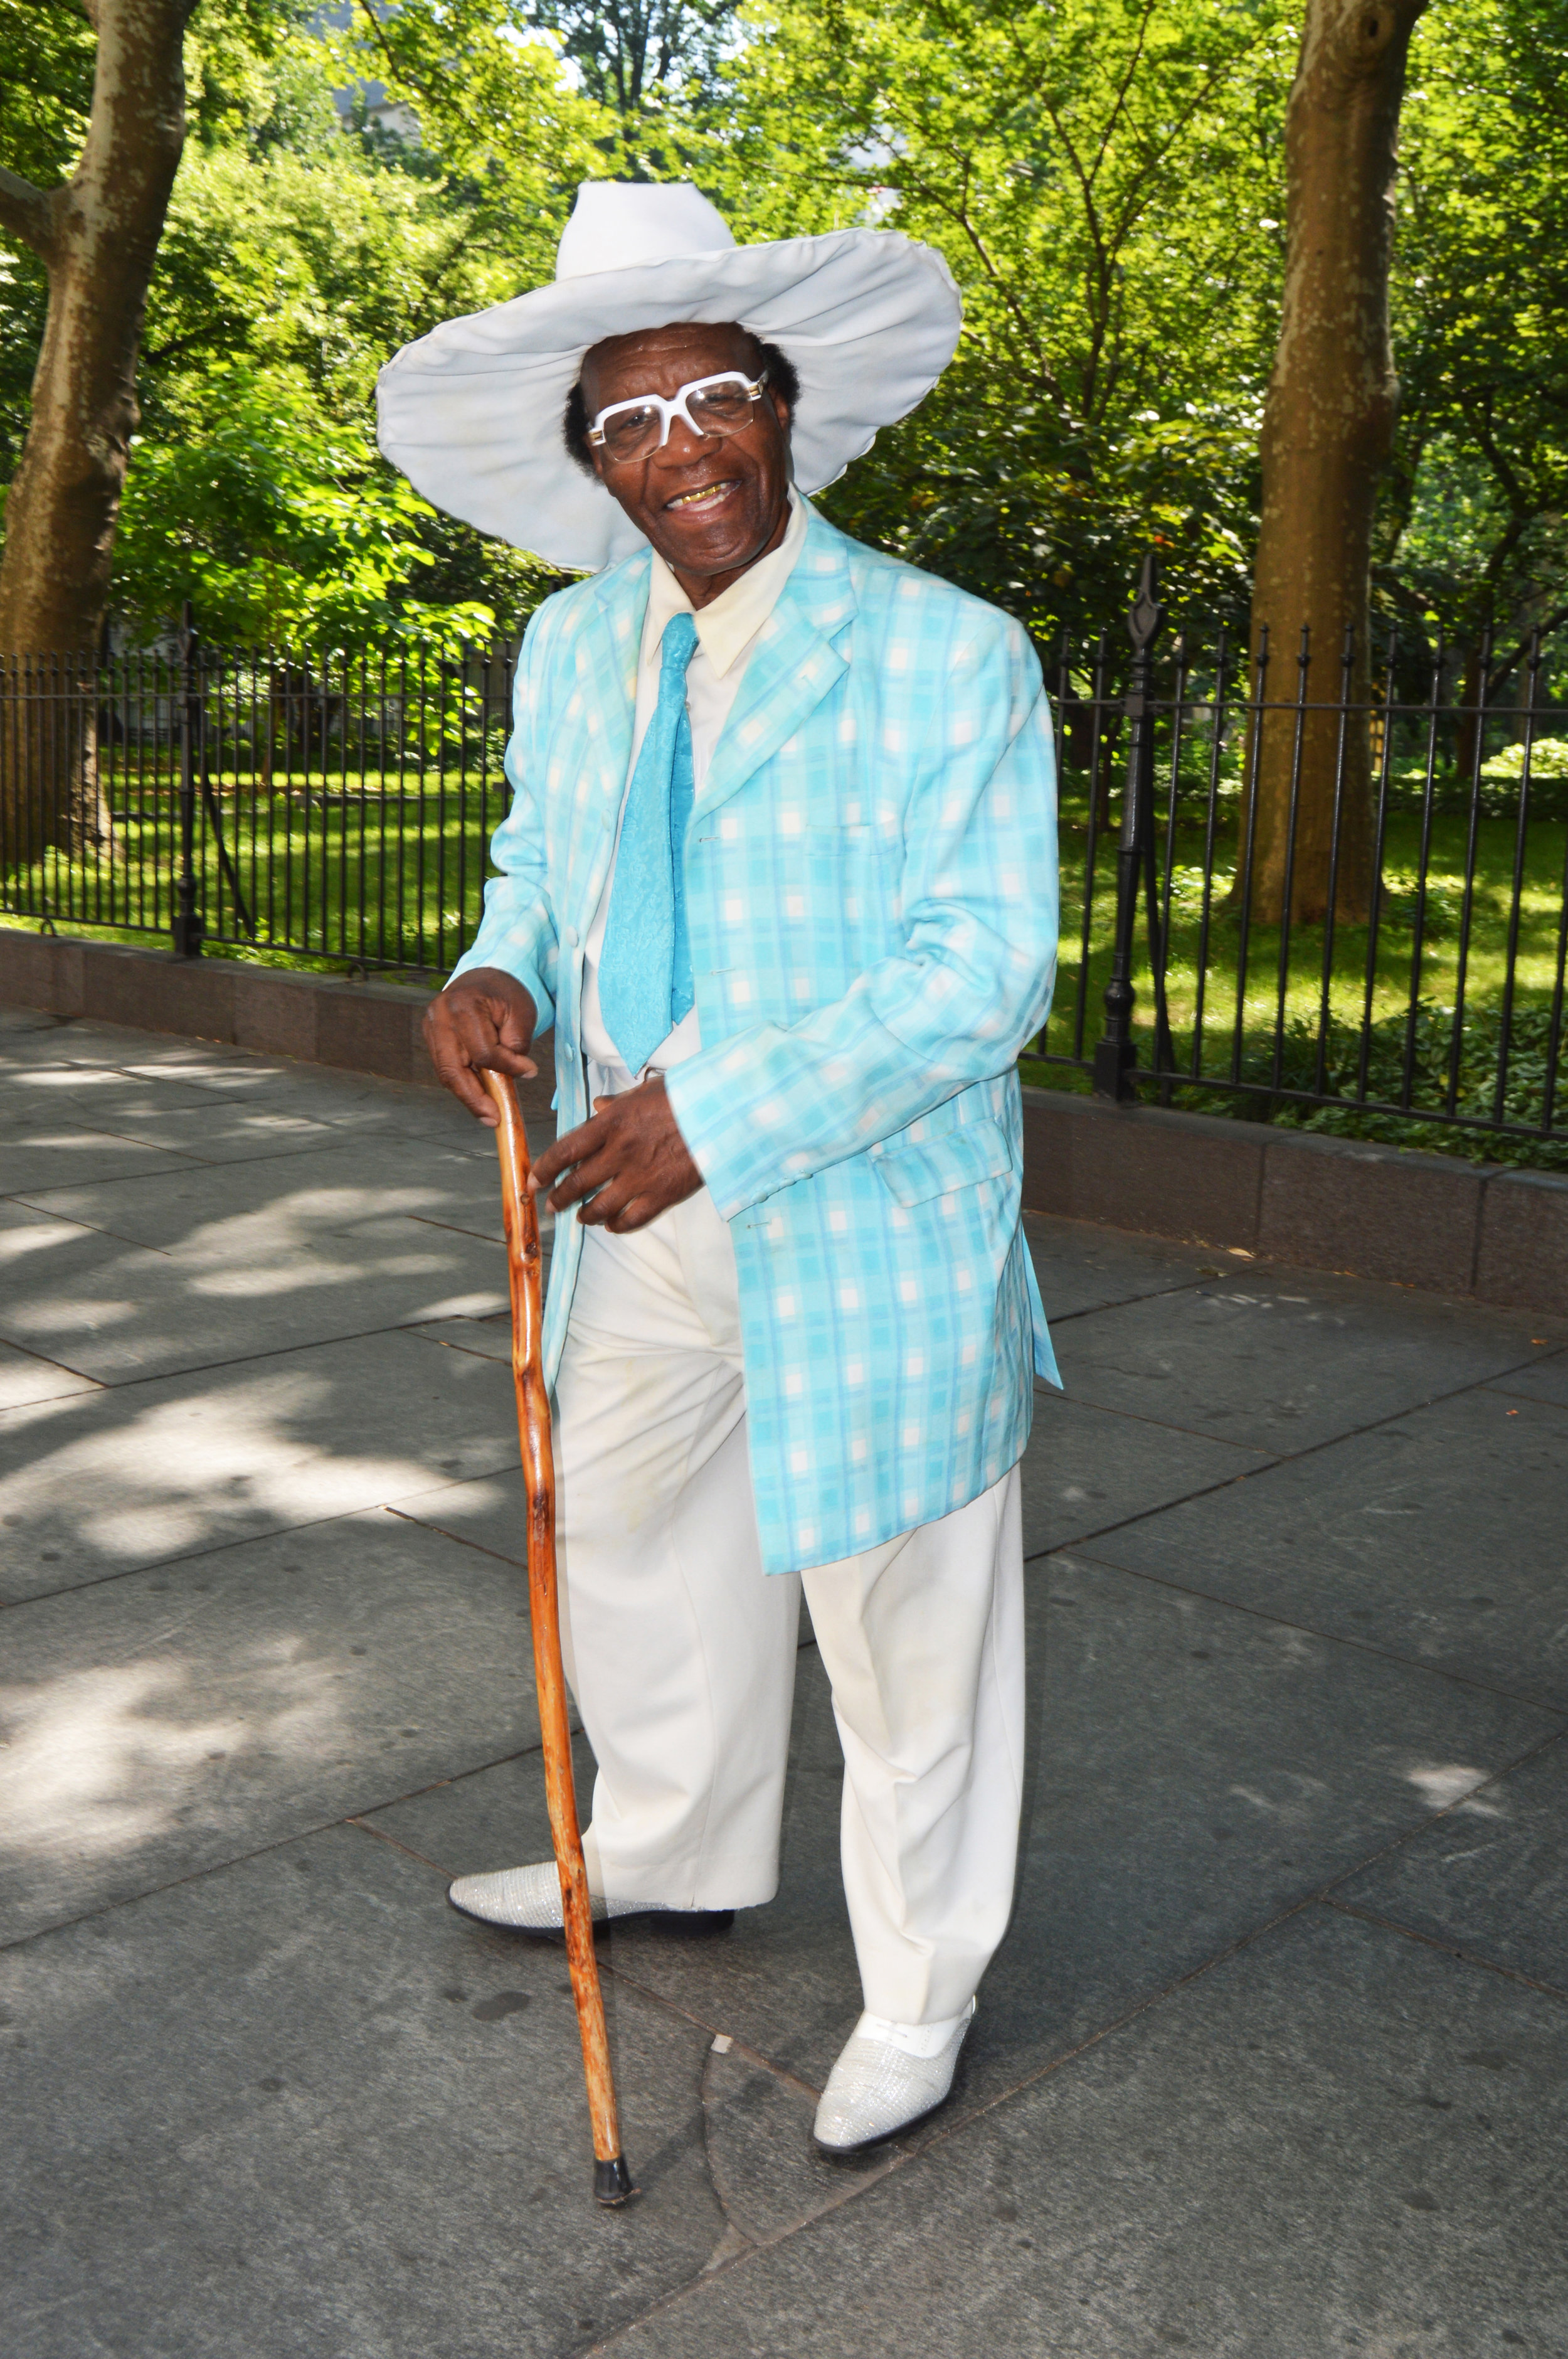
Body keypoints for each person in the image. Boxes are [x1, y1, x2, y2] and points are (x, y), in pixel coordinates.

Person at [378, 179, 1060, 2154]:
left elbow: (979, 975)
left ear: (785, 404)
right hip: (620, 1211)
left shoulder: (947, 652)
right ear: (589, 459)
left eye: (711, 400)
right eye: (627, 422)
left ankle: (919, 1990)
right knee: (626, 1537)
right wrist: (491, 969)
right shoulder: (573, 646)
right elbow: (535, 870)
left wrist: (720, 1114)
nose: (676, 451)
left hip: (857, 1213)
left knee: (902, 1619)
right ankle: (671, 1846)